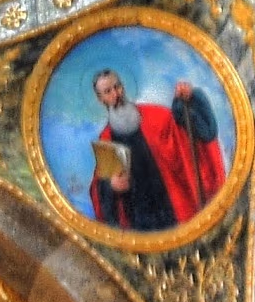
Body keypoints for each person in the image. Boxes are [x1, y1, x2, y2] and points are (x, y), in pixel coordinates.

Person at [85, 65, 221, 231]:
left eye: (117, 86)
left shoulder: (155, 115)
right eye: (108, 91)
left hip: (171, 206)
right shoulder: (106, 139)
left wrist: (188, 100)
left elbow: (186, 134)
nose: (116, 94)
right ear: (101, 99)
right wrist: (111, 186)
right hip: (139, 216)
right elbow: (99, 187)